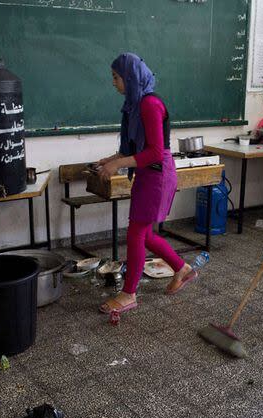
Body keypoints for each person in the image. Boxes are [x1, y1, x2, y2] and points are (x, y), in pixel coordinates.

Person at [96, 53, 197, 314]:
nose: (113, 82)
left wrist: (118, 165)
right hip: (148, 174)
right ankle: (182, 268)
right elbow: (135, 147)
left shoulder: (149, 104)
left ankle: (129, 294)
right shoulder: (134, 104)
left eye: (116, 77)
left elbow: (153, 151)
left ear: (130, 77)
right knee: (145, 233)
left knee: (136, 232)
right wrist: (112, 159)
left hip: (157, 174)